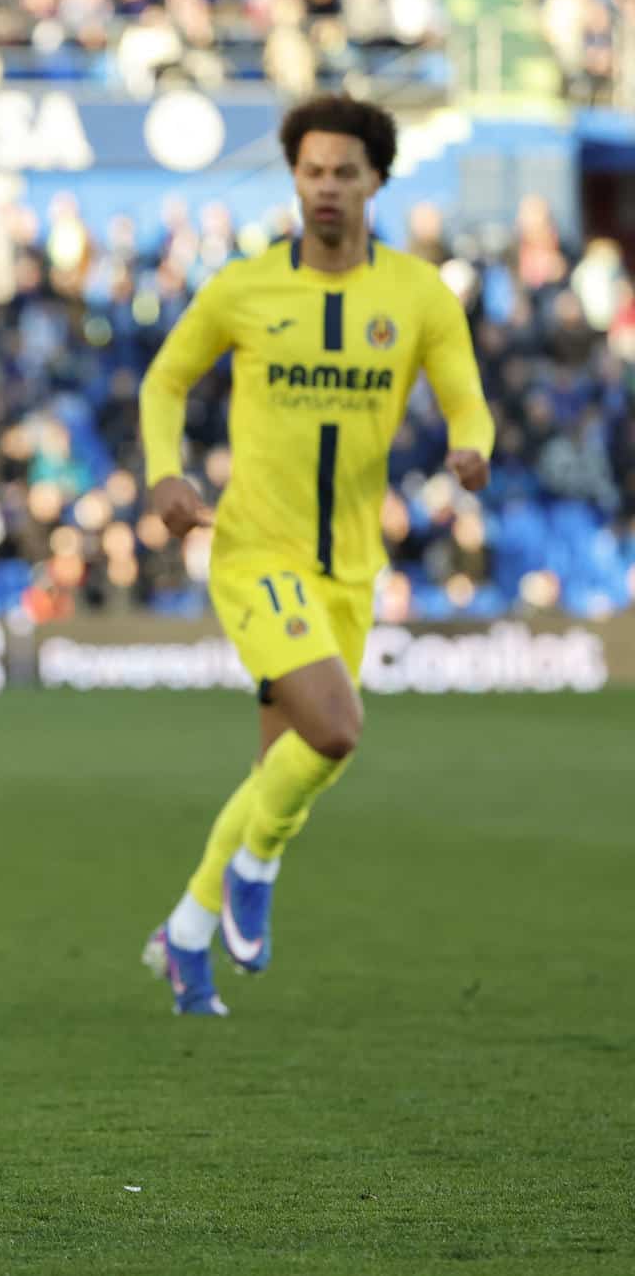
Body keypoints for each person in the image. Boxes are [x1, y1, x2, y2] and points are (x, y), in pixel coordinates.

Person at [136, 95, 493, 1015]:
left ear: (376, 180)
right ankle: (256, 866)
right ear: (292, 178)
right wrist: (164, 475)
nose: (326, 187)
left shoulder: (415, 296)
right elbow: (166, 379)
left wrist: (471, 445)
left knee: (285, 767)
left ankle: (183, 936)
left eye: (344, 172)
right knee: (336, 727)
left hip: (351, 568)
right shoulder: (243, 288)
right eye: (311, 171)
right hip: (255, 550)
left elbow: (466, 397)